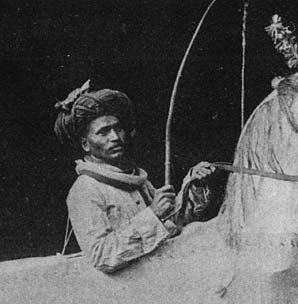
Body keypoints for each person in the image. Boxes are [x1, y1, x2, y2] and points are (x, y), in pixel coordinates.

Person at [55, 80, 216, 273]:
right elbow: (101, 256)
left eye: (118, 128)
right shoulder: (85, 190)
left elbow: (173, 224)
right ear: (85, 144)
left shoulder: (136, 179)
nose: (115, 137)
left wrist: (193, 184)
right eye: (103, 132)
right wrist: (153, 215)